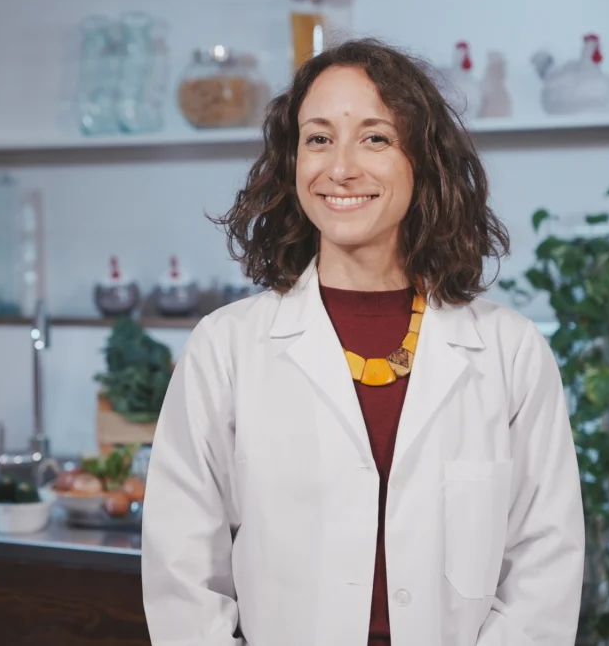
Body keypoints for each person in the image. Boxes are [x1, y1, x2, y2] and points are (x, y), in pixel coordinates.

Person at [140, 37, 585, 646]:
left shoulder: (510, 352)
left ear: (421, 160)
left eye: (375, 137)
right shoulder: (226, 348)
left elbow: (545, 566)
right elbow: (183, 573)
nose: (341, 167)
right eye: (318, 138)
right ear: (291, 161)